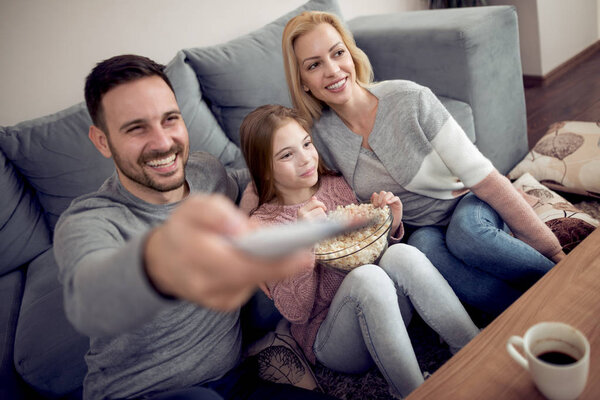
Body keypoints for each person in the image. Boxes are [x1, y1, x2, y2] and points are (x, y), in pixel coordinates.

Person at [53, 54, 337, 400]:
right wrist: (160, 263)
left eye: (169, 119)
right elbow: (89, 298)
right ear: (102, 141)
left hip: (235, 381)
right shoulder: (87, 221)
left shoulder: (207, 172)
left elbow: (267, 174)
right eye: (136, 128)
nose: (161, 142)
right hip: (142, 394)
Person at [279, 11, 566, 317]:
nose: (333, 70)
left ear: (351, 54)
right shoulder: (319, 136)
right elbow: (267, 171)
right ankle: (528, 316)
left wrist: (553, 251)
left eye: (338, 53)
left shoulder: (410, 99)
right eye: (314, 65)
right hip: (422, 230)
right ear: (303, 82)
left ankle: (564, 282)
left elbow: (483, 178)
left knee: (465, 235)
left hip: (469, 203)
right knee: (423, 250)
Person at [239, 104, 480, 398]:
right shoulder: (264, 226)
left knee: (400, 255)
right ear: (263, 170)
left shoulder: (335, 184)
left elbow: (367, 253)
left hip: (386, 313)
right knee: (368, 277)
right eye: (287, 155)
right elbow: (297, 312)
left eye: (306, 144)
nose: (305, 159)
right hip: (332, 340)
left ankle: (472, 346)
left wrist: (388, 225)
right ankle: (415, 392)